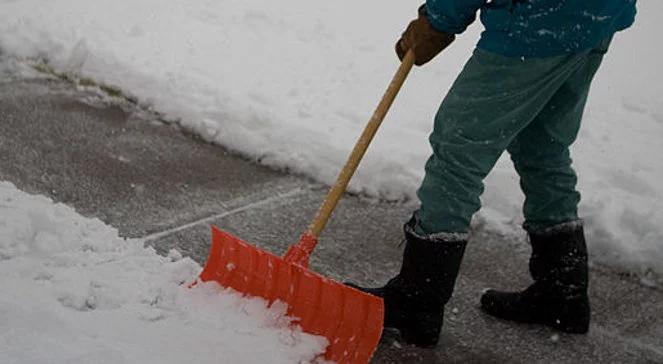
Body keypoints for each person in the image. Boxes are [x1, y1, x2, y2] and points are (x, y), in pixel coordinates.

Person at [349, 0, 637, 348]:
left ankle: (417, 302)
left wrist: (440, 19)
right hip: (597, 16)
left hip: (537, 24)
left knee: (457, 150)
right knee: (542, 145)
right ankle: (563, 290)